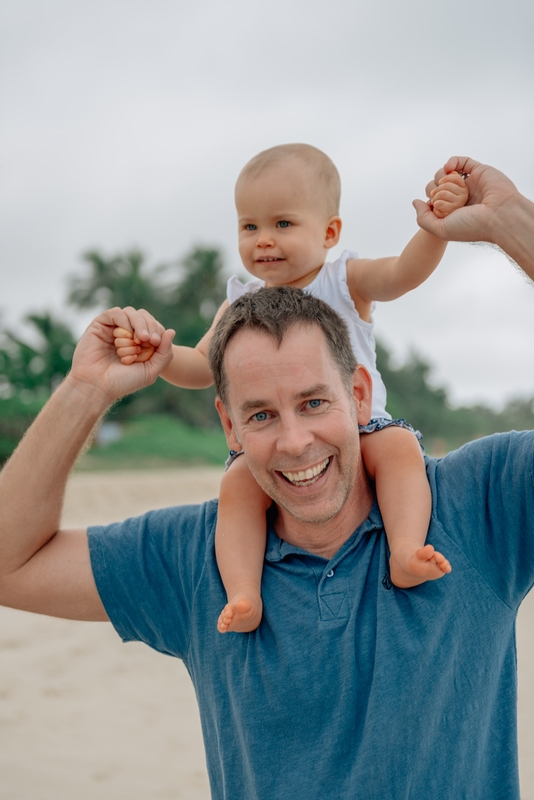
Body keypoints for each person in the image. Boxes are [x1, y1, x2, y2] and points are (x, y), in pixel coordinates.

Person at [0, 156, 533, 799]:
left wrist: (512, 225)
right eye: (260, 414)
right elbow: (9, 563)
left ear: (360, 395)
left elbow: (402, 271)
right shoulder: (201, 562)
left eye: (314, 402)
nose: (293, 440)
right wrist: (86, 390)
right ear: (228, 425)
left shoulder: (483, 507)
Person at [114, 144, 465, 634]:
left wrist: (435, 228)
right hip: (277, 439)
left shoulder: (343, 280)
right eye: (249, 226)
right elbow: (201, 367)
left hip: (363, 426)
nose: (264, 240)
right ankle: (243, 591)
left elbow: (404, 274)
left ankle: (405, 551)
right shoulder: (241, 303)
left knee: (400, 448)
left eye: (282, 224)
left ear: (329, 232)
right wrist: (162, 357)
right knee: (237, 485)